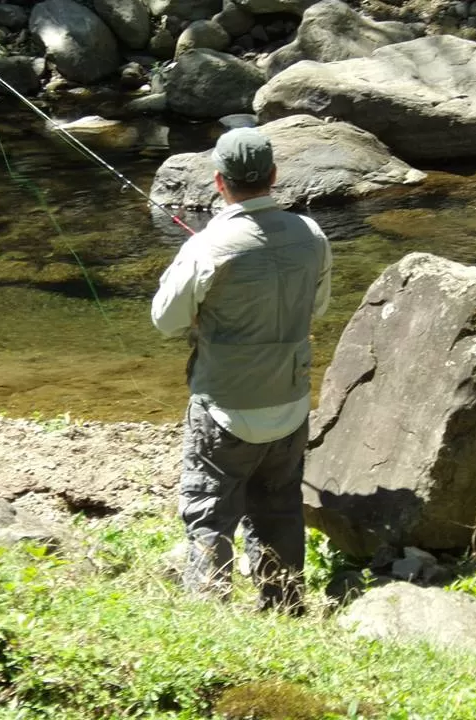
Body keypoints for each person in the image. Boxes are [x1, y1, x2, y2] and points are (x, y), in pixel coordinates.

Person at [151, 127, 332, 614]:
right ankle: (286, 608)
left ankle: (211, 618)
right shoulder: (312, 236)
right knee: (279, 509)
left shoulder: (207, 247)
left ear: (218, 182)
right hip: (291, 403)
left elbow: (165, 321)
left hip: (224, 407)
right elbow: (315, 308)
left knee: (210, 513)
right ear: (274, 176)